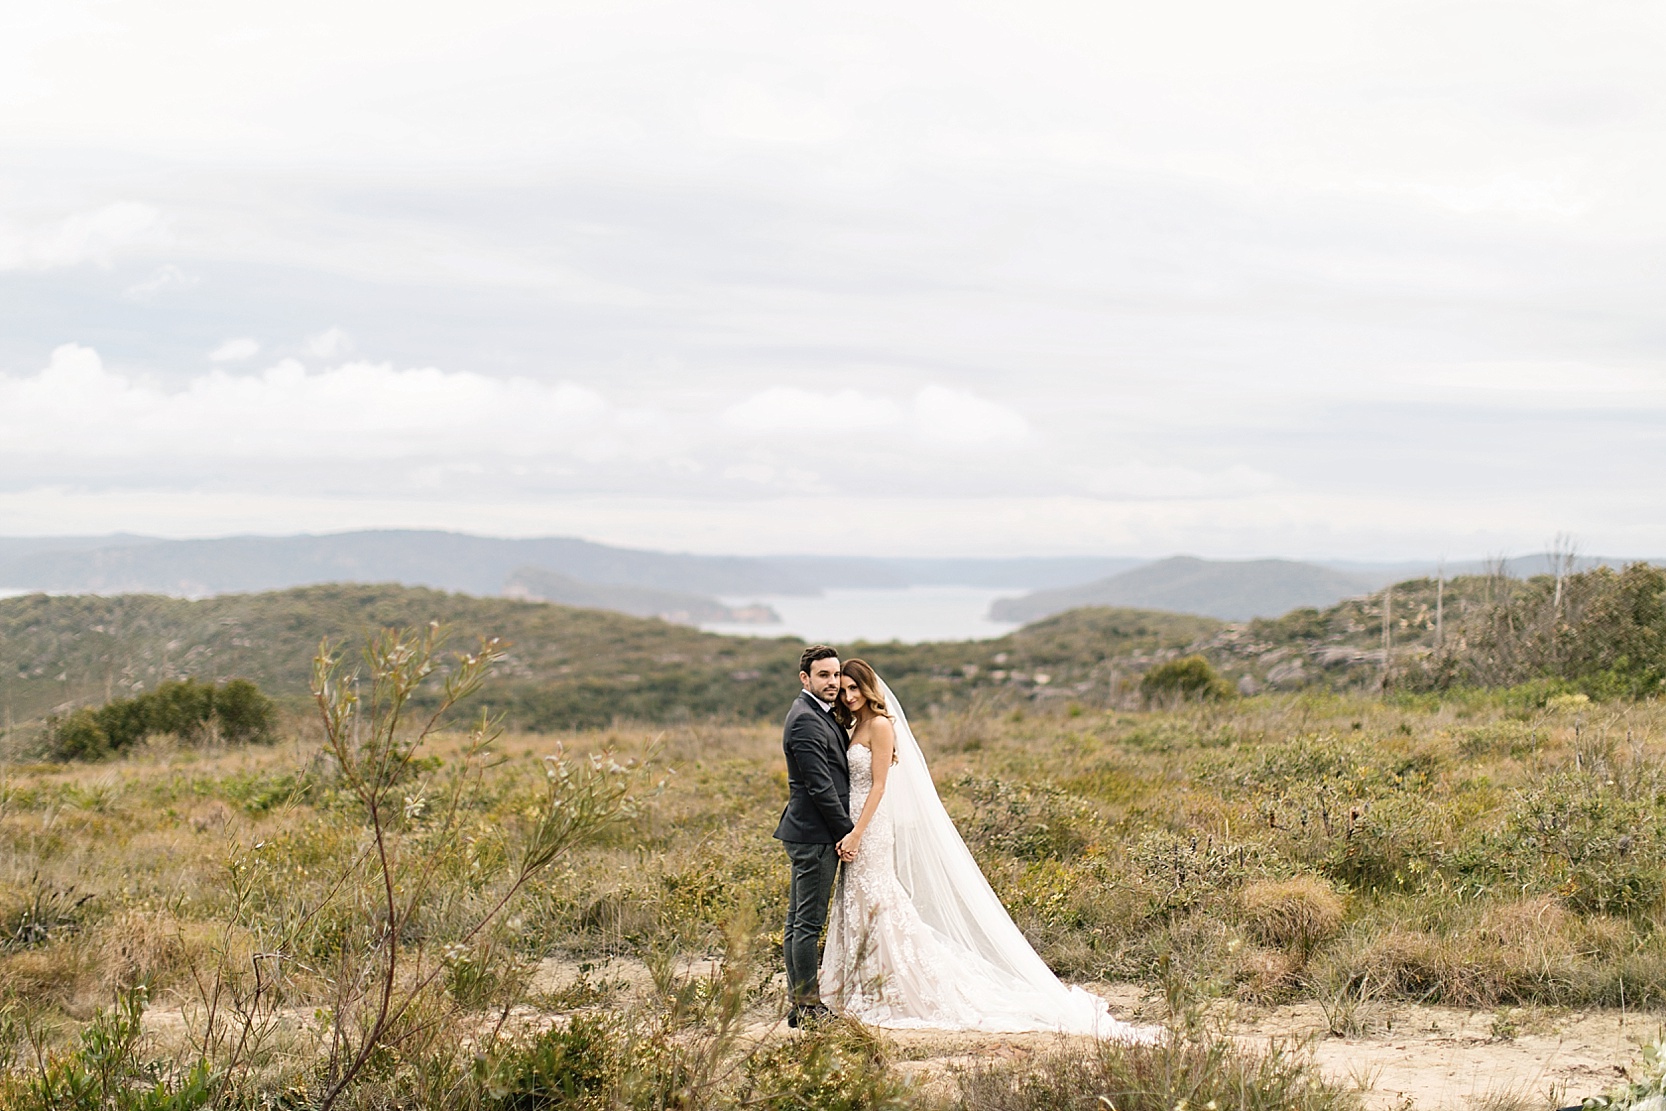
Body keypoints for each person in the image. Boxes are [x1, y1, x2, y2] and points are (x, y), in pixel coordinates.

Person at [820, 658, 1161, 1040]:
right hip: (854, 825)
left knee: (877, 899)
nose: (849, 696)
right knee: (859, 900)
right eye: (845, 689)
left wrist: (857, 833)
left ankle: (893, 987)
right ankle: (865, 984)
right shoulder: (855, 724)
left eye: (855, 688)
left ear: (869, 689)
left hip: (870, 827)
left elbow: (880, 787)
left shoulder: (880, 725)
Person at [771, 644, 853, 1029]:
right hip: (815, 835)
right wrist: (848, 833)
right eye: (824, 675)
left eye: (836, 675)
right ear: (805, 678)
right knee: (806, 923)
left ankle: (800, 1005)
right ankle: (807, 1007)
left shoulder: (819, 714)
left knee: (796, 922)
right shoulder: (804, 719)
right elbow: (821, 788)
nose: (833, 682)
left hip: (811, 831)